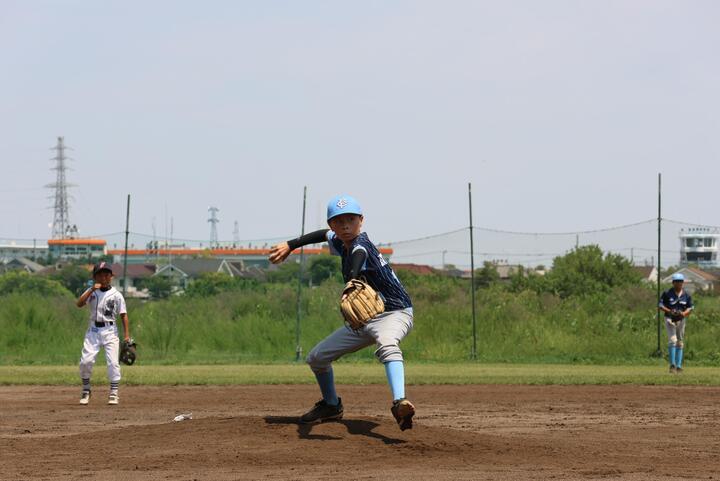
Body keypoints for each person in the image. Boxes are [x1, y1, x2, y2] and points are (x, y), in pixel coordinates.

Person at [269, 195, 416, 430]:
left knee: (387, 343)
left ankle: (400, 403)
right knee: (317, 358)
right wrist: (291, 244)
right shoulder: (338, 240)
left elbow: (359, 256)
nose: (345, 226)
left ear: (361, 221)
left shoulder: (361, 245)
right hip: (364, 319)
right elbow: (320, 235)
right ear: (332, 225)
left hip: (395, 312)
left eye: (351, 219)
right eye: (338, 222)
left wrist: (353, 279)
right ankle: (331, 406)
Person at [75, 262, 131, 405]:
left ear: (111, 276)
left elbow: (123, 315)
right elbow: (79, 304)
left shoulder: (116, 295)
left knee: (113, 363)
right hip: (93, 330)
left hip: (110, 330)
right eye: (100, 274)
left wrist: (126, 336)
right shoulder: (91, 291)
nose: (104, 277)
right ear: (95, 277)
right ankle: (86, 389)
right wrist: (91, 290)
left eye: (107, 274)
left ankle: (113, 392)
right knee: (85, 361)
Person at [659, 272, 693, 373]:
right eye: (677, 281)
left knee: (680, 342)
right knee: (672, 340)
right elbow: (660, 305)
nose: (679, 283)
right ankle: (672, 365)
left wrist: (683, 313)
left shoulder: (686, 295)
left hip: (681, 319)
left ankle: (678, 366)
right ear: (673, 283)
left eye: (681, 281)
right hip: (670, 318)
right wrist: (669, 311)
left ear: (683, 283)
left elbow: (690, 308)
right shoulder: (667, 293)